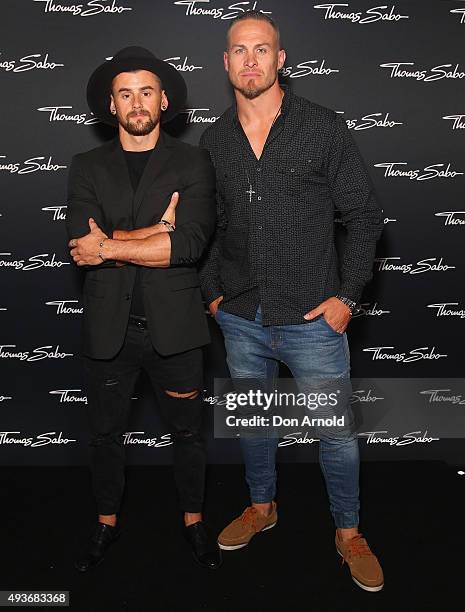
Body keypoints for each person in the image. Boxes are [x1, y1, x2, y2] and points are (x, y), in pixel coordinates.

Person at [199, 13, 384, 591]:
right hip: (242, 317)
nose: (250, 60)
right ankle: (262, 506)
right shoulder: (214, 140)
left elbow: (364, 215)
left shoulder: (320, 126)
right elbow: (207, 225)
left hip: (312, 317)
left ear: (282, 59)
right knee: (255, 424)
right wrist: (214, 296)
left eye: (263, 49)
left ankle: (349, 532)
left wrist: (347, 297)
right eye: (239, 50)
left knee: (335, 434)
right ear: (226, 62)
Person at [67, 46, 221, 571]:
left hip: (176, 327)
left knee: (188, 435)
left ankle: (194, 520)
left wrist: (115, 243)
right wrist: (158, 231)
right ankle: (105, 523)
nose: (137, 102)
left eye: (146, 91)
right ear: (112, 106)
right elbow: (81, 247)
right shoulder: (86, 166)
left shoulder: (194, 160)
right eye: (125, 93)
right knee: (106, 435)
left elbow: (190, 245)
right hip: (109, 327)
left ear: (164, 99)